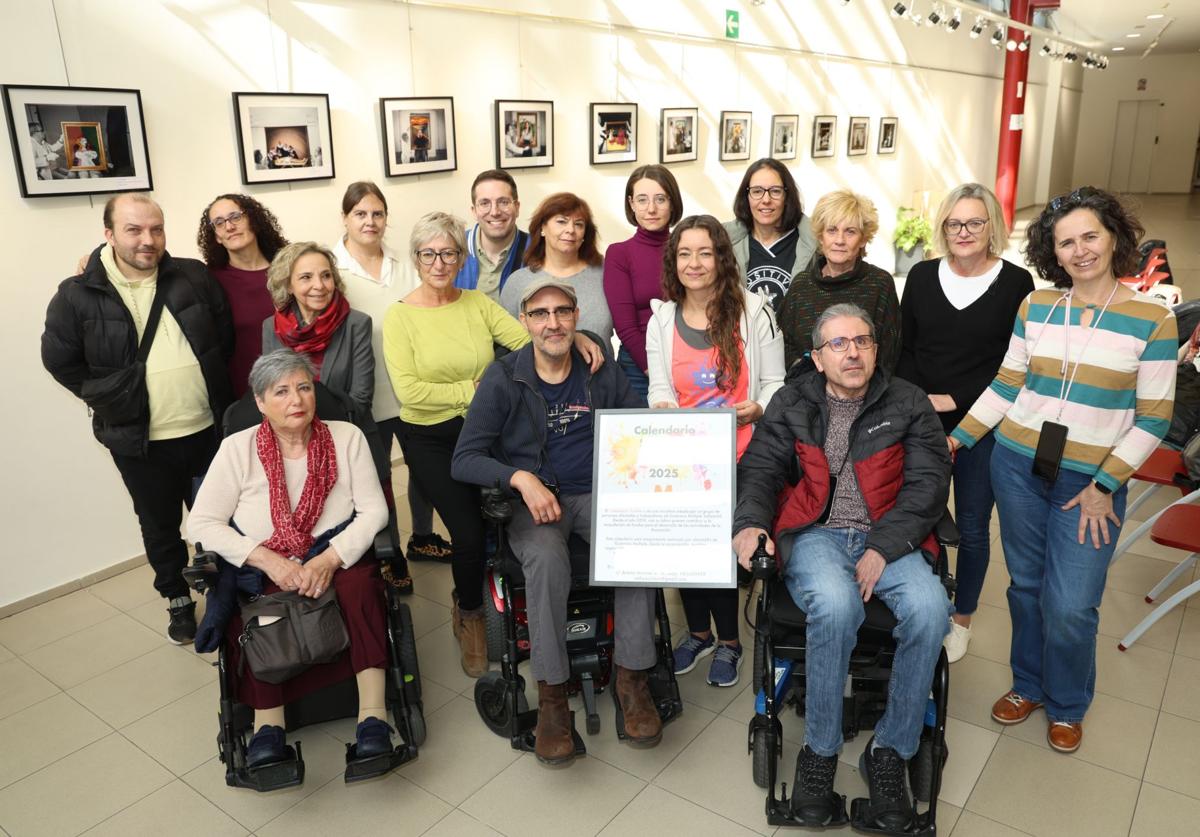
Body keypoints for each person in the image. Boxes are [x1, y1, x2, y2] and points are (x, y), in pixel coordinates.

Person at [950, 187, 1177, 754]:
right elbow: (1007, 386)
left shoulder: (1151, 320)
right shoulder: (1038, 307)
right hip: (1017, 465)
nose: (1080, 251)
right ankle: (1028, 685)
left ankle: (1068, 702)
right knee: (1026, 588)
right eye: (1065, 242)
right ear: (1052, 252)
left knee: (1071, 603)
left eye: (1090, 236)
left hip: (1091, 484)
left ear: (1114, 238)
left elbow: (1154, 420)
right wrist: (956, 441)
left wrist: (1106, 485)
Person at [733, 303, 951, 830]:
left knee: (929, 608)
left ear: (876, 349)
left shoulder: (908, 401)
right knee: (834, 604)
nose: (852, 352)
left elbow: (928, 483)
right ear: (817, 357)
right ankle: (821, 750)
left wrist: (882, 545)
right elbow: (760, 468)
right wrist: (749, 523)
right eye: (838, 344)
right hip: (816, 533)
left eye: (862, 341)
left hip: (889, 536)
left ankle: (890, 752)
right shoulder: (792, 401)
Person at [452, 277, 663, 765]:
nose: (553, 323)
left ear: (576, 318)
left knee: (635, 540)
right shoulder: (504, 378)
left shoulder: (599, 370)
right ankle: (551, 695)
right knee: (546, 557)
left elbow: (637, 425)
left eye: (563, 312)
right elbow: (464, 458)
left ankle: (632, 680)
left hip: (596, 492)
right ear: (525, 322)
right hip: (536, 503)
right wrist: (521, 479)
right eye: (541, 314)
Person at [186, 349, 394, 768]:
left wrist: (330, 559)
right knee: (258, 607)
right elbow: (202, 523)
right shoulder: (236, 448)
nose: (296, 400)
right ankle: (268, 728)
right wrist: (268, 561)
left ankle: (373, 719)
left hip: (331, 552)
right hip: (267, 560)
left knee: (359, 586)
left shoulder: (346, 437)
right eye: (281, 392)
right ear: (260, 402)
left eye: (303, 387)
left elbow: (375, 511)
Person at [41, 193, 234, 644]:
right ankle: (178, 600)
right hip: (139, 440)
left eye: (157, 229)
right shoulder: (77, 294)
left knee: (222, 521)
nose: (148, 240)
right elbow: (60, 361)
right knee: (159, 523)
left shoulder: (193, 275)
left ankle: (229, 593)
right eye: (134, 230)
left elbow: (221, 340)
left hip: (208, 428)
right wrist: (112, 398)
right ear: (108, 234)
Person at [896, 183, 1034, 662]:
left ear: (992, 226)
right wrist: (918, 400)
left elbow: (1012, 363)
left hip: (983, 424)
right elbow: (906, 348)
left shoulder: (1017, 285)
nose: (964, 232)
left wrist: (953, 398)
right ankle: (915, 602)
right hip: (920, 418)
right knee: (913, 513)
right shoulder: (920, 275)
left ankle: (961, 619)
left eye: (975, 222)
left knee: (974, 525)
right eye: (954, 223)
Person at [646, 215, 784, 686]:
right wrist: (663, 409)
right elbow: (659, 388)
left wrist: (758, 408)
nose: (694, 263)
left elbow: (776, 383)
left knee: (722, 550)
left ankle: (730, 643)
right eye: (684, 253)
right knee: (687, 548)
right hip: (687, 455)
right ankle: (699, 634)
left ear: (722, 258)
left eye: (705, 252)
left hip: (744, 451)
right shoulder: (662, 320)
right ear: (674, 261)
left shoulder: (754, 310)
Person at [334, 181, 451, 562]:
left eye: (378, 213)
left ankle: (422, 536)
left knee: (423, 470)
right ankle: (391, 557)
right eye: (360, 214)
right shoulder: (333, 270)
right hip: (367, 390)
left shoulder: (408, 262)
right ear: (345, 218)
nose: (370, 221)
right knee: (377, 477)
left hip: (414, 386)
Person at [778, 189, 901, 373]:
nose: (840, 240)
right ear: (821, 236)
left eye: (850, 232)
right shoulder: (801, 286)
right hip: (806, 392)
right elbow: (784, 346)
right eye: (832, 230)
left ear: (863, 240)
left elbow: (888, 354)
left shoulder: (880, 284)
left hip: (866, 394)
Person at [261, 242, 375, 430]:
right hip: (294, 440)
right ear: (288, 284)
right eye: (306, 277)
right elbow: (273, 394)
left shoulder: (357, 323)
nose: (319, 285)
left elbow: (360, 399)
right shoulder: (271, 327)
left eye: (326, 276)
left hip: (349, 432)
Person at [603, 164, 684, 399]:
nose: (651, 209)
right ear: (631, 204)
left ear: (673, 202)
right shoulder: (620, 254)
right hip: (639, 365)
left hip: (689, 358)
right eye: (642, 200)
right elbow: (625, 328)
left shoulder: (687, 248)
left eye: (660, 199)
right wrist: (657, 373)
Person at [197, 193, 288, 398]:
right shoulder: (209, 281)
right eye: (219, 223)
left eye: (235, 217)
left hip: (295, 385)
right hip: (244, 392)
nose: (229, 227)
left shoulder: (289, 270)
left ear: (253, 221)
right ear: (217, 236)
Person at [500, 192, 614, 347]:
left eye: (579, 224)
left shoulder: (607, 273)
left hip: (602, 370)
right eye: (562, 221)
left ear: (585, 234)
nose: (571, 230)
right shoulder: (518, 282)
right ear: (542, 228)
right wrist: (575, 339)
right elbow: (506, 344)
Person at [723, 158, 817, 315]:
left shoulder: (813, 243)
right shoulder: (725, 242)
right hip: (744, 337)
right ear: (746, 196)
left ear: (787, 196)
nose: (766, 200)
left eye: (775, 191)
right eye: (757, 191)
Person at [454, 170, 528, 300]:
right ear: (474, 211)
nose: (495, 212)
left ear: (517, 208)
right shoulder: (453, 248)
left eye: (503, 202)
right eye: (484, 203)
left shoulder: (537, 250)